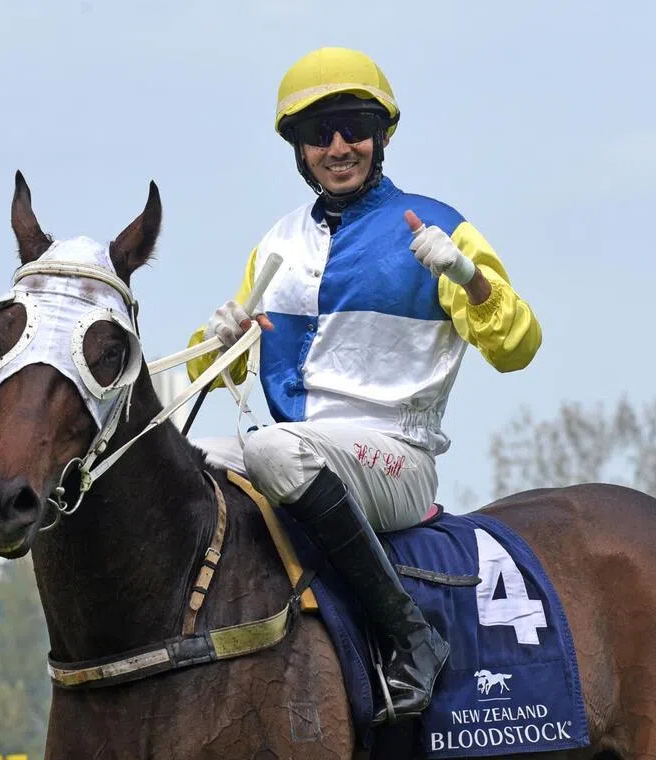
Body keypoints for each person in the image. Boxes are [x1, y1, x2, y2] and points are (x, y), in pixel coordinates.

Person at [186, 46, 542, 724]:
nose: (338, 146)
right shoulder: (276, 245)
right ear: (298, 148)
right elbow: (228, 371)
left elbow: (519, 347)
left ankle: (412, 638)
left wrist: (469, 278)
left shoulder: (439, 226)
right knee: (180, 465)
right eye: (319, 133)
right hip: (301, 451)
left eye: (353, 126)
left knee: (274, 452)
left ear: (382, 136)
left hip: (394, 460)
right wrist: (221, 341)